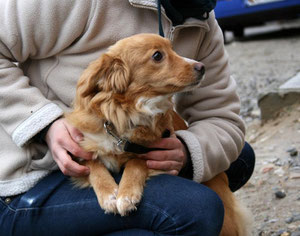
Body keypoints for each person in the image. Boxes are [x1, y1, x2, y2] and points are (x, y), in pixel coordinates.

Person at [0, 0, 255, 235]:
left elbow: (222, 118)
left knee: (239, 159)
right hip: (31, 177)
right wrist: (44, 123)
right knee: (196, 210)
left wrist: (187, 153)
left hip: (123, 153)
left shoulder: (202, 18)